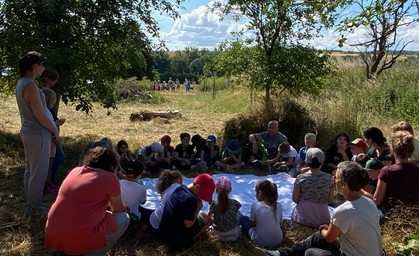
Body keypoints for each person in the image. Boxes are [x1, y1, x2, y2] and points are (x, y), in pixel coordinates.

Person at [255, 161, 383, 256]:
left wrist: (323, 228)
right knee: (317, 238)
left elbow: (329, 238)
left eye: (336, 177)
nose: (333, 179)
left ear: (345, 184)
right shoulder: (368, 202)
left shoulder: (344, 210)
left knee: (311, 253)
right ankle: (280, 254)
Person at [45, 145, 130, 255]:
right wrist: (125, 208)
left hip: (54, 231)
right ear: (112, 164)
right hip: (79, 236)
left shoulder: (75, 171)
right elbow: (118, 209)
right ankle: (92, 251)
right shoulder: (110, 178)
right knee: (124, 218)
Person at [16, 51, 59, 217]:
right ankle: (35, 208)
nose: (43, 68)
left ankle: (30, 206)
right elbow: (40, 115)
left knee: (30, 170)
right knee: (38, 173)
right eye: (41, 64)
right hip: (38, 133)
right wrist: (54, 130)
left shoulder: (22, 82)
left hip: (28, 131)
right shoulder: (31, 86)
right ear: (35, 66)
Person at [159, 173, 215, 249]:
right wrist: (198, 209)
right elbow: (189, 224)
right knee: (205, 217)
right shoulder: (190, 200)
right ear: (197, 187)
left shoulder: (181, 188)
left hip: (164, 231)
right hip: (176, 241)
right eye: (202, 195)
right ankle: (188, 241)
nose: (201, 198)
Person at [368, 131, 419, 213]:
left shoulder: (387, 171)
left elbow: (377, 201)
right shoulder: (417, 170)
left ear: (392, 148)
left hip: (390, 213)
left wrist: (361, 192)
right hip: (412, 213)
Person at [291, 148, 335, 229]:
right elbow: (330, 199)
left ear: (307, 162)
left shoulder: (300, 178)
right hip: (322, 218)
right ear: (322, 163)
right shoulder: (329, 178)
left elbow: (294, 199)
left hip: (302, 217)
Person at [40, 68, 65, 187]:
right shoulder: (44, 95)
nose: (56, 81)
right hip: (51, 134)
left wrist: (56, 121)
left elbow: (50, 116)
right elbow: (46, 118)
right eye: (54, 79)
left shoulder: (46, 94)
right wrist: (55, 127)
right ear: (47, 79)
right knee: (57, 156)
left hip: (53, 130)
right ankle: (48, 182)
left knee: (54, 157)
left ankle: (49, 182)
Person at [240, 180, 283, 247]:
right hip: (278, 240)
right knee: (279, 226)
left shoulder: (255, 205)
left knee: (243, 219)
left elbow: (252, 224)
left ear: (260, 193)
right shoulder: (279, 205)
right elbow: (280, 223)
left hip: (260, 240)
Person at [208, 176, 242, 242]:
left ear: (216, 190)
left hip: (217, 236)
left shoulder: (215, 204)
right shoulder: (235, 203)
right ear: (230, 189)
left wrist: (213, 219)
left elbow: (209, 216)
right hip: (234, 235)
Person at [41, 88, 59, 195]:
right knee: (47, 165)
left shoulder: (44, 111)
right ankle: (46, 186)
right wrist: (55, 135)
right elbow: (49, 126)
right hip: (50, 141)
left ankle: (48, 184)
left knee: (49, 164)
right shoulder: (46, 112)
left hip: (50, 141)